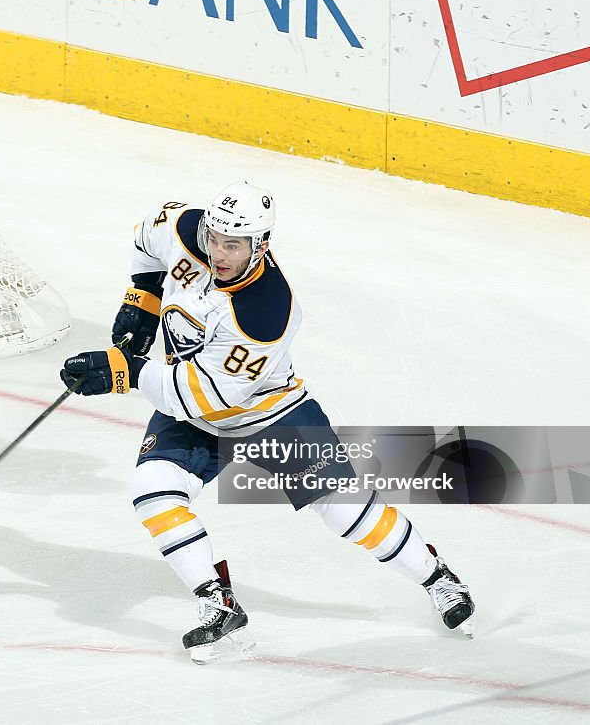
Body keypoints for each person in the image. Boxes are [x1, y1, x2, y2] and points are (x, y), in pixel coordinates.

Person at [60, 182, 475, 662]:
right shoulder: (186, 230)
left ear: (261, 245)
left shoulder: (266, 310)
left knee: (343, 509)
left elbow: (205, 397)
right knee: (152, 492)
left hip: (267, 410)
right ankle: (217, 603)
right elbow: (144, 238)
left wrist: (126, 371)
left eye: (232, 245)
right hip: (192, 406)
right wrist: (143, 298)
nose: (217, 252)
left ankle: (436, 576)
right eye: (214, 238)